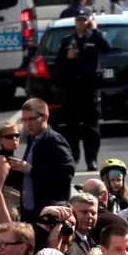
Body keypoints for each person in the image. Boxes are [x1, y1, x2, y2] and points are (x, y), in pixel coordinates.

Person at [54, 10, 111, 172]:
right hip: (72, 89)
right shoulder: (68, 40)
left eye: (84, 20)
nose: (81, 23)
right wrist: (67, 57)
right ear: (75, 21)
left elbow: (107, 47)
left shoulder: (94, 37)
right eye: (79, 20)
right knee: (72, 127)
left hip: (90, 88)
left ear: (88, 21)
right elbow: (58, 63)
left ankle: (91, 159)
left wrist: (95, 30)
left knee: (91, 127)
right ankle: (74, 157)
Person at [11, 98, 75, 222]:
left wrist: (31, 170)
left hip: (50, 213)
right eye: (24, 119)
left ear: (45, 117)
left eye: (32, 119)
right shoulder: (33, 140)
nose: (27, 124)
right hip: (30, 212)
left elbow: (66, 174)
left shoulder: (54, 140)